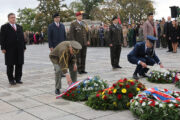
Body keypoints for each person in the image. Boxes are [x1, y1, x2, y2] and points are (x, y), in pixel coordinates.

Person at [1, 13, 26, 85]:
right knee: (10, 64)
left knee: (19, 64)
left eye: (14, 17)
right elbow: (2, 38)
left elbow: (22, 38)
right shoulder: (4, 27)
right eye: (12, 17)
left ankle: (18, 78)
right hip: (9, 49)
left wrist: (24, 46)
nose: (13, 19)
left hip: (19, 49)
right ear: (8, 19)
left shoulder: (19, 27)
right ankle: (11, 79)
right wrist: (3, 48)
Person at [48, 13, 66, 89]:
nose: (58, 19)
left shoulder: (62, 25)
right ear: (54, 19)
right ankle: (57, 71)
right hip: (55, 46)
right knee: (56, 59)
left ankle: (61, 72)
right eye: (57, 17)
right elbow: (49, 37)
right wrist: (50, 46)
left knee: (62, 58)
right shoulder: (51, 26)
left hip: (62, 45)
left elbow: (64, 35)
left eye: (59, 17)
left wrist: (65, 44)